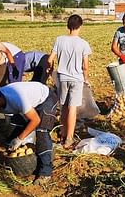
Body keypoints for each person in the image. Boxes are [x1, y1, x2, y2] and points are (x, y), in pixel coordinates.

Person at [0, 82, 58, 185]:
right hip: (27, 104)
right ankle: (20, 163)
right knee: (14, 126)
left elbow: (35, 120)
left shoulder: (17, 98)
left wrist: (20, 138)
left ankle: (46, 172)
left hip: (46, 98)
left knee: (41, 131)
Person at [47, 14, 92, 149]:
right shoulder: (83, 44)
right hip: (76, 79)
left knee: (64, 106)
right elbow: (85, 66)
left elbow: (50, 59)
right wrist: (86, 78)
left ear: (68, 26)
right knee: (72, 108)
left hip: (62, 78)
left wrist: (50, 70)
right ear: (80, 26)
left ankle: (62, 132)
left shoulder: (60, 40)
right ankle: (69, 139)